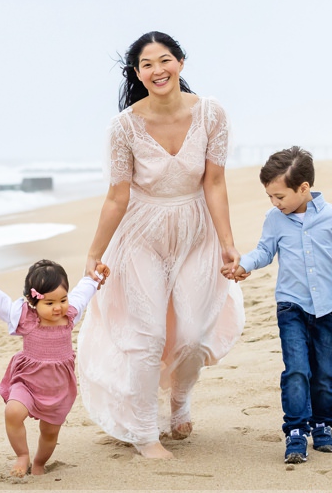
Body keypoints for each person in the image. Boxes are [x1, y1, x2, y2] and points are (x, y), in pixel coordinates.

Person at [77, 31, 245, 459]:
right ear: (137, 73)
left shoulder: (212, 113)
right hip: (141, 236)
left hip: (195, 231)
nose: (157, 70)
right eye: (147, 64)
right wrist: (95, 252)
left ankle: (180, 401)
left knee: (191, 333)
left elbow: (215, 181)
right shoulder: (124, 127)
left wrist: (227, 242)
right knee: (147, 334)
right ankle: (144, 433)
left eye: (165, 60)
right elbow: (117, 196)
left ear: (181, 63)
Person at [230, 146, 332, 464]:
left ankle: (322, 427)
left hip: (327, 308)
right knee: (296, 371)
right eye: (270, 198)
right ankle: (295, 431)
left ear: (303, 188)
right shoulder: (275, 220)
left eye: (280, 197)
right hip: (290, 306)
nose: (275, 204)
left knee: (323, 374)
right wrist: (245, 263)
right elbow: (264, 251)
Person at [0, 260, 108, 477]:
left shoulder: (70, 313)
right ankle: (22, 455)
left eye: (62, 299)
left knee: (49, 434)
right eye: (49, 303)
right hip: (28, 381)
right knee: (13, 412)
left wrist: (95, 276)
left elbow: (83, 291)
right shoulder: (23, 317)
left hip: (58, 388)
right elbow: (0, 302)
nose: (58, 307)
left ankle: (39, 463)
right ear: (33, 302)